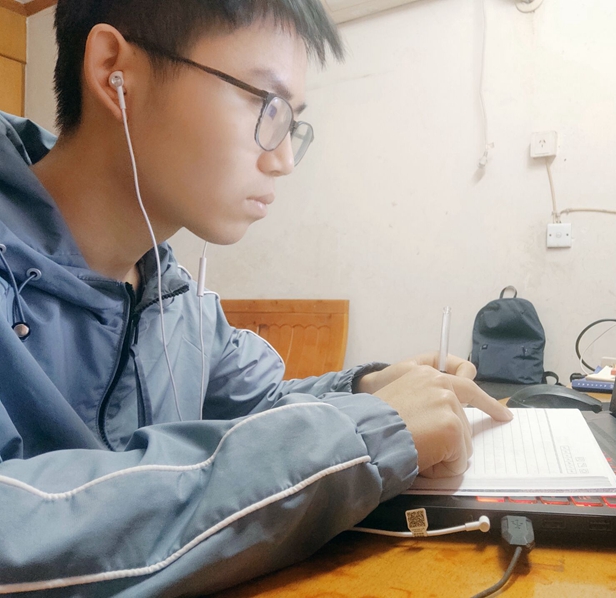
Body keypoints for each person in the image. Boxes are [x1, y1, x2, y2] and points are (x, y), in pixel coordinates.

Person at [0, 1, 512, 596]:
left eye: (292, 122)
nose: (284, 159)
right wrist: (365, 435)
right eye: (265, 104)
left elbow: (260, 406)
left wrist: (367, 389)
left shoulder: (175, 298)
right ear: (115, 70)